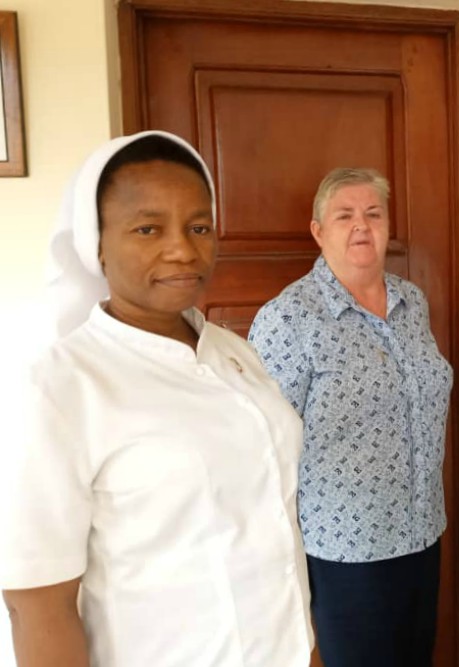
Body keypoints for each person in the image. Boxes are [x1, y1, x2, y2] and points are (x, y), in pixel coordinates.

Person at [0, 131, 314, 666]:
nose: (183, 250)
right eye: (148, 228)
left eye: (199, 227)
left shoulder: (236, 355)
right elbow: (38, 605)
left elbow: (275, 532)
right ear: (95, 242)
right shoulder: (61, 386)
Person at [249, 167, 453, 667]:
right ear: (318, 231)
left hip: (422, 532)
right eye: (344, 215)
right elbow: (261, 444)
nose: (361, 225)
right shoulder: (290, 316)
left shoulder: (412, 302)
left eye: (373, 213)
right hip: (346, 549)